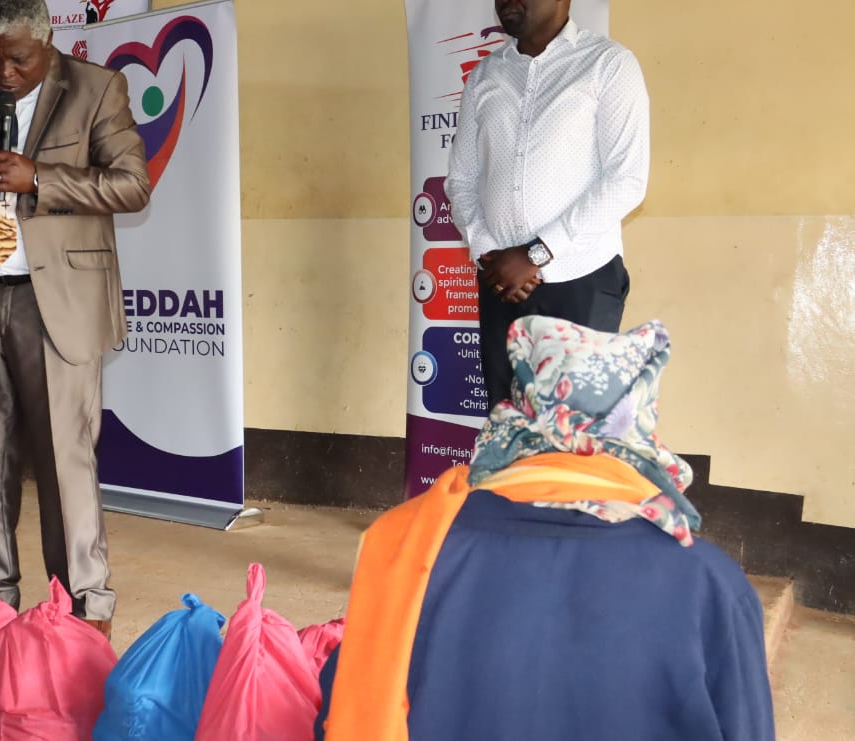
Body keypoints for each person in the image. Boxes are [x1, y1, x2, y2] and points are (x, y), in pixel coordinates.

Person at [317, 316, 775, 741]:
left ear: (521, 409)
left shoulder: (406, 548)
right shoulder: (710, 584)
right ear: (638, 419)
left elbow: (342, 714)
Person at [0, 0, 150, 640]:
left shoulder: (96, 88)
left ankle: (83, 607)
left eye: (18, 58)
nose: (4, 72)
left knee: (63, 461)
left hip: (55, 302)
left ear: (47, 42)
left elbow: (132, 184)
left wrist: (40, 178)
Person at [444, 0, 650, 408]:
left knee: (570, 428)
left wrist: (536, 253)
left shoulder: (607, 64)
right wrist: (488, 252)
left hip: (580, 278)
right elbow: (461, 180)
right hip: (501, 282)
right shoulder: (484, 76)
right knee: (509, 423)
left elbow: (627, 179)